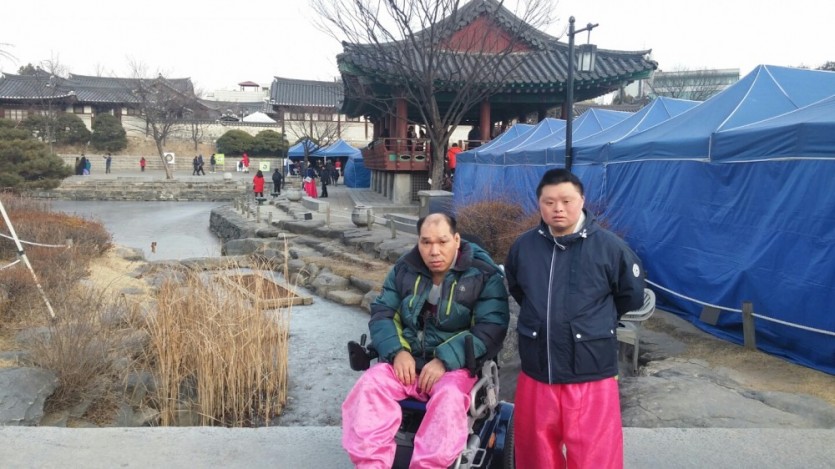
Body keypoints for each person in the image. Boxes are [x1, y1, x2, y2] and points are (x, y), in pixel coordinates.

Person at [342, 213, 510, 468]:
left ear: (456, 240)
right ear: (418, 242)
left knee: (449, 398)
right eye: (426, 242)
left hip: (456, 368)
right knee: (369, 386)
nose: (434, 251)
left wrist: (444, 361)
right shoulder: (404, 269)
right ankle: (371, 463)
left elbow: (490, 329)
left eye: (442, 242)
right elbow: (383, 313)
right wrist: (397, 352)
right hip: (407, 361)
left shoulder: (484, 275)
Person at [504, 168, 645, 469]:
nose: (558, 208)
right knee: (536, 451)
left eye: (566, 201)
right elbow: (518, 289)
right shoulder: (523, 247)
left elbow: (630, 295)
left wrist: (595, 323)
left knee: (595, 453)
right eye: (549, 202)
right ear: (539, 204)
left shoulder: (610, 247)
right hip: (538, 367)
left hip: (591, 369)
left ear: (582, 200)